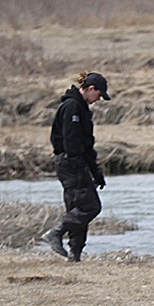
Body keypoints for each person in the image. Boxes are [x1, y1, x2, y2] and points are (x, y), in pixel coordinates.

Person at [42, 71, 110, 263]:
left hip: (73, 163)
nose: (98, 99)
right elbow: (72, 141)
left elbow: (87, 145)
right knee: (90, 206)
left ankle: (75, 255)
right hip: (71, 164)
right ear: (90, 89)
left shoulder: (79, 107)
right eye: (98, 95)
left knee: (77, 207)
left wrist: (96, 172)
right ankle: (56, 233)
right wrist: (79, 165)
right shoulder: (72, 107)